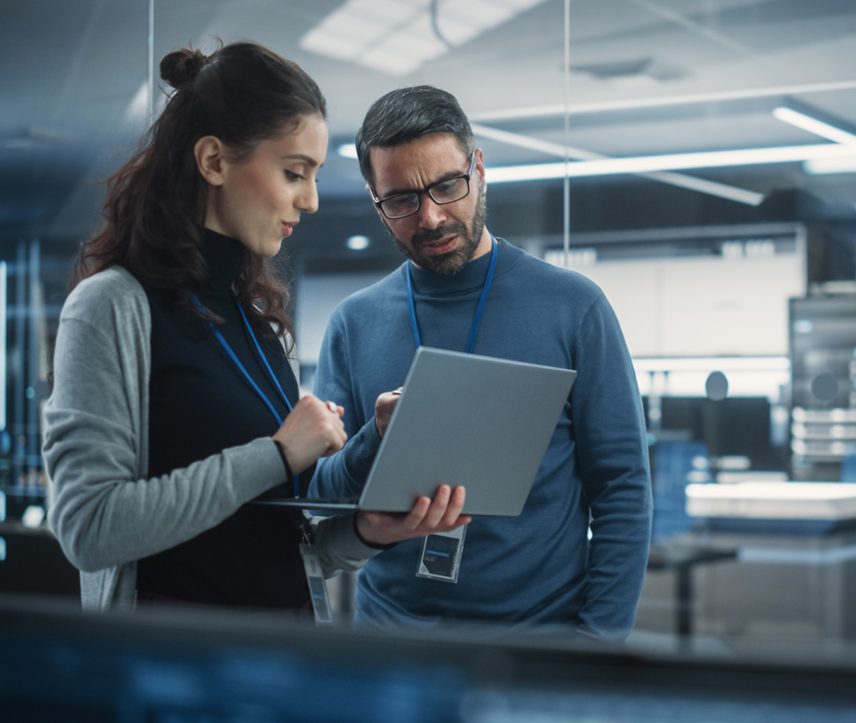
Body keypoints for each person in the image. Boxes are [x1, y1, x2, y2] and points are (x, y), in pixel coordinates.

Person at [42, 45, 467, 614]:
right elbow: (88, 529)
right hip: (169, 677)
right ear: (214, 160)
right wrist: (275, 455)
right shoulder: (111, 307)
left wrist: (368, 531)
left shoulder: (261, 324)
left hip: (279, 663)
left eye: (313, 177)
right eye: (294, 173)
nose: (311, 200)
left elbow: (282, 544)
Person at [310, 85, 652, 640]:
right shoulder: (354, 323)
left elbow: (622, 488)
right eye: (401, 200)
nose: (430, 216)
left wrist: (599, 642)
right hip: (393, 646)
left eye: (448, 185)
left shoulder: (573, 307)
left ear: (480, 169)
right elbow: (323, 496)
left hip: (540, 645)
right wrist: (376, 436)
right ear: (376, 201)